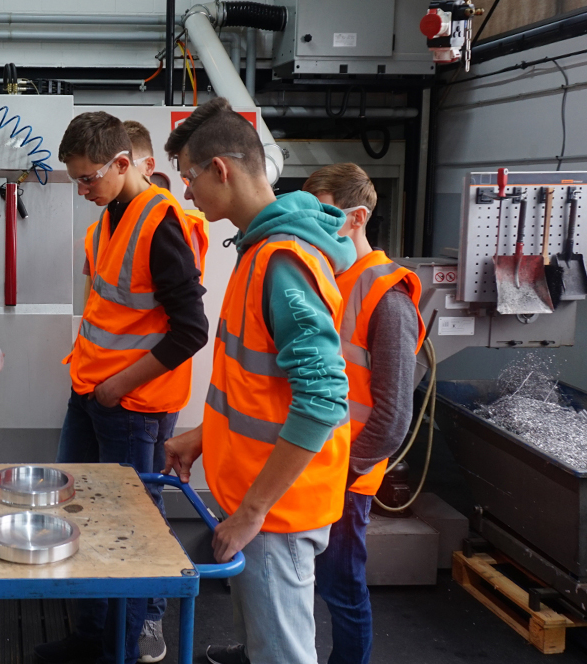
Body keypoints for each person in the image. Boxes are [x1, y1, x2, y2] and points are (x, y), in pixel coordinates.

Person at [160, 98, 355, 664]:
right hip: (255, 493)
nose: (188, 194)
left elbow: (322, 400)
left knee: (284, 655)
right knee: (264, 642)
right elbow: (256, 386)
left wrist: (251, 514)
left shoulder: (282, 261)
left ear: (220, 168)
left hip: (275, 510)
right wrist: (202, 435)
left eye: (190, 178)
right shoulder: (258, 250)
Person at [36, 111, 208, 664]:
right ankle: (91, 638)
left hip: (131, 406)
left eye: (89, 178)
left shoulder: (162, 225)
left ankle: (122, 649)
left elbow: (190, 332)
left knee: (129, 537)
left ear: (123, 163)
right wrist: (93, 386)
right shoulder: (112, 215)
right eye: (76, 179)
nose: (82, 190)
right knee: (77, 513)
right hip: (90, 396)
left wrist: (116, 387)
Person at [302, 163, 425, 664]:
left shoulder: (387, 296)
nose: (311, 224)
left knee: (341, 586)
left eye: (322, 212)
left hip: (344, 477)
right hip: (313, 466)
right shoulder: (332, 276)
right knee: (300, 580)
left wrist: (347, 469)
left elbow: (394, 416)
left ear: (355, 217)